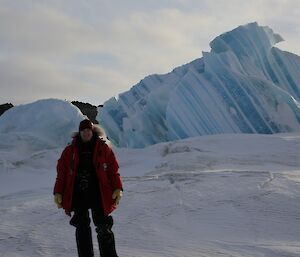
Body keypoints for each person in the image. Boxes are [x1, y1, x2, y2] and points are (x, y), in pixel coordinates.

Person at [53, 119, 123, 257]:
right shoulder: (69, 151)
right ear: (79, 133)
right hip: (78, 193)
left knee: (103, 227)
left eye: (88, 131)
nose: (86, 133)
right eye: (83, 131)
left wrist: (118, 188)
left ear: (92, 131)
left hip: (99, 193)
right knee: (82, 227)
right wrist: (58, 192)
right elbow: (62, 173)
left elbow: (113, 171)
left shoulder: (103, 149)